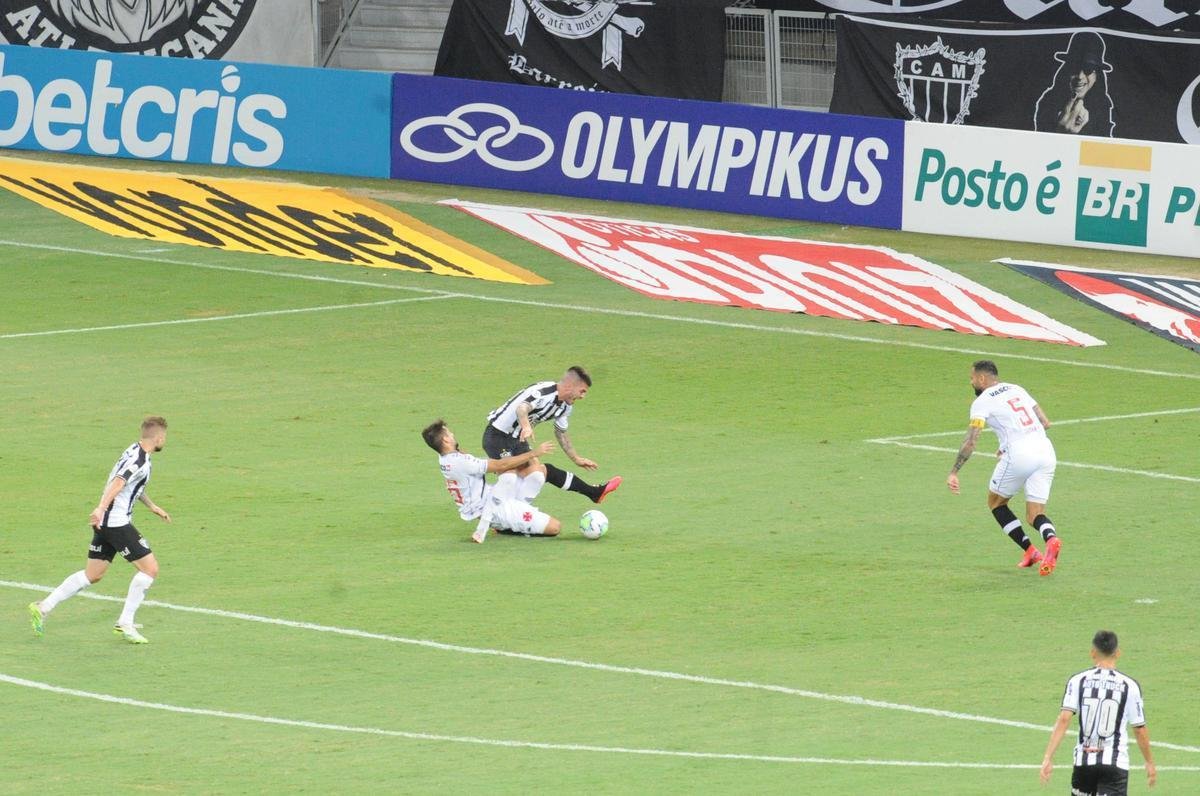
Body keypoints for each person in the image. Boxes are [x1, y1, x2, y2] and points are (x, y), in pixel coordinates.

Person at [28, 416, 171, 644]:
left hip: (105, 522)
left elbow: (132, 485)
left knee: (92, 575)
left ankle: (43, 607)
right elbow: (118, 483)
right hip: (115, 522)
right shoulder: (140, 460)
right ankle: (125, 622)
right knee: (150, 570)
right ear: (159, 437)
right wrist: (100, 508)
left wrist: (152, 506)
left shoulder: (133, 450)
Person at [945, 360, 1062, 574]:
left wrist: (954, 471)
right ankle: (1051, 539)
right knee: (1035, 514)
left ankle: (1031, 550)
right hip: (1046, 451)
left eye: (972, 378)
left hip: (1019, 454)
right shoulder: (1017, 388)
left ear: (981, 378)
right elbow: (1045, 422)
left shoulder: (982, 402)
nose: (971, 383)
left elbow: (971, 441)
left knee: (996, 503)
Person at [483, 366, 621, 505]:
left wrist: (576, 459)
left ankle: (594, 493)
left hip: (518, 439)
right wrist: (526, 427)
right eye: (582, 391)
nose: (582, 396)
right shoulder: (544, 392)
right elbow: (522, 408)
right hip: (497, 436)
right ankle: (498, 513)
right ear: (570, 386)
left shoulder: (566, 406)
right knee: (510, 478)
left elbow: (560, 432)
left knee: (537, 476)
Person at [1040, 630, 1157, 794]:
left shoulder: (1078, 680)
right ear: (1118, 653)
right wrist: (1149, 762)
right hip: (1115, 765)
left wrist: (1048, 757)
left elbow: (1064, 719)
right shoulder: (1129, 686)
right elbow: (1139, 729)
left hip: (1084, 763)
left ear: (1092, 652)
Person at [423, 418, 562, 543]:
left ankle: (512, 518)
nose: (453, 435)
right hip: (493, 509)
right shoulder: (460, 462)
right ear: (446, 440)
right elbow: (501, 465)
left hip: (489, 497)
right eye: (449, 433)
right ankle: (506, 528)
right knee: (555, 527)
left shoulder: (446, 458)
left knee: (534, 472)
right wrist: (534, 453)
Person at [1033, 31, 1115, 137]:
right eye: (1074, 67)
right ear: (1066, 70)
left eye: (1088, 69)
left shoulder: (1103, 104)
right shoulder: (1049, 99)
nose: (1080, 76)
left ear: (1097, 75)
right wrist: (1060, 133)